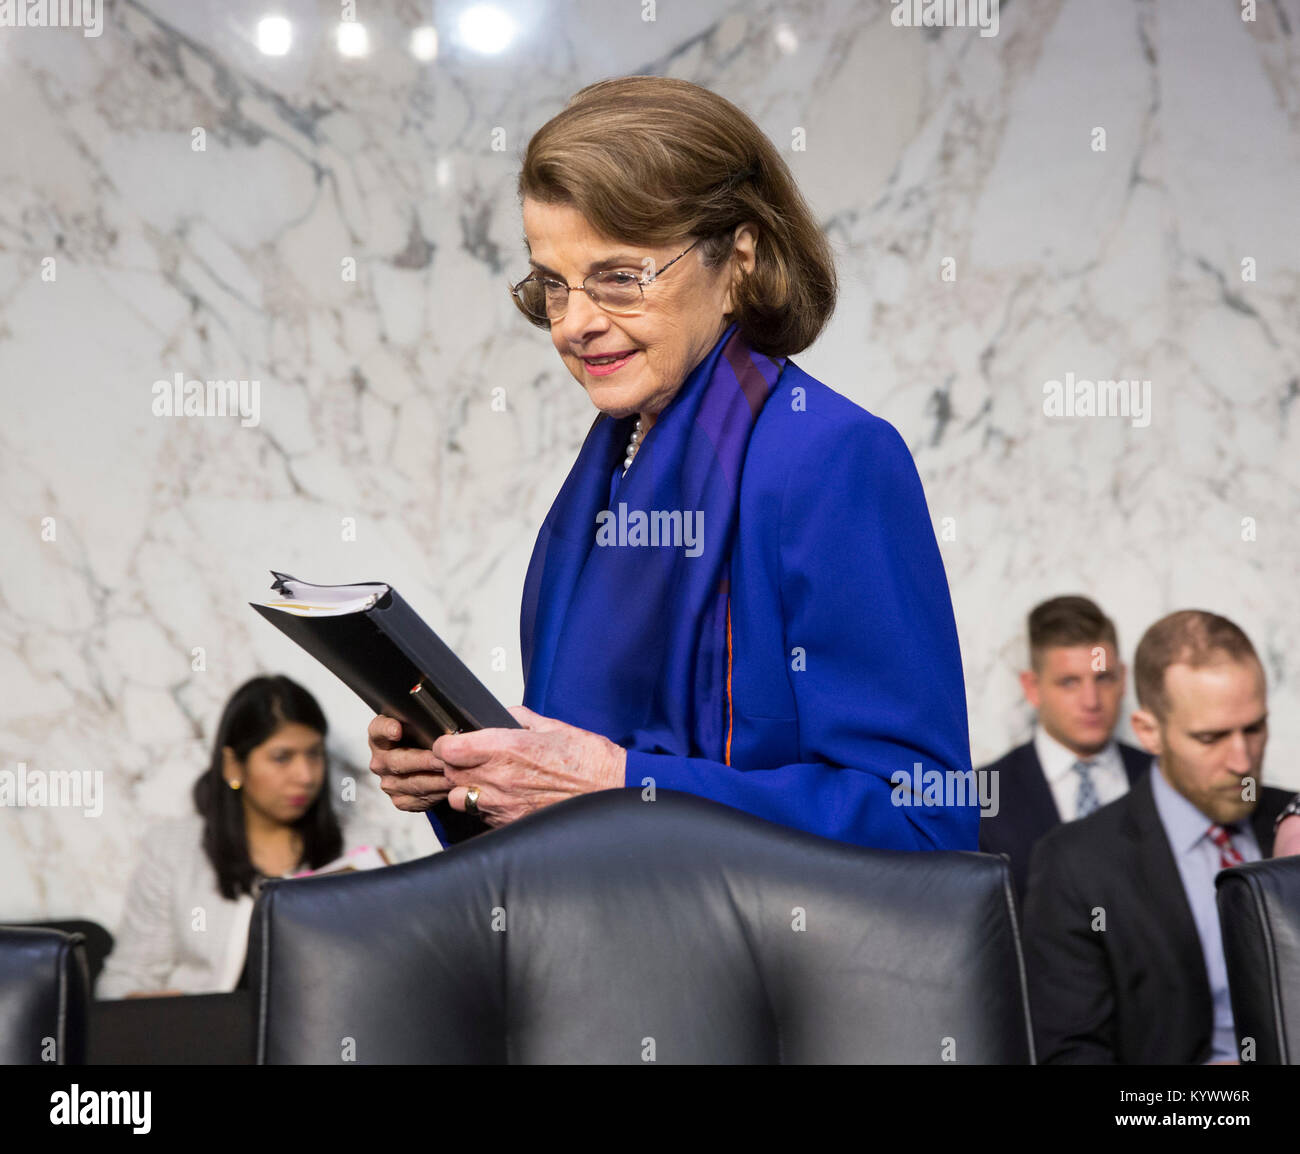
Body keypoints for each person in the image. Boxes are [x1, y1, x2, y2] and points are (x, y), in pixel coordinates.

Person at [367, 76, 976, 852]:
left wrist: (623, 789)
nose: (576, 325)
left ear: (740, 260)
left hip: (751, 971)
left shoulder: (829, 458)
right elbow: (567, 786)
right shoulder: (606, 473)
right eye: (554, 286)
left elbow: (922, 818)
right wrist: (465, 775)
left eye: (620, 278)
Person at [1022, 611, 1293, 1063]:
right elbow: (1070, 1055)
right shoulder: (1075, 865)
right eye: (1211, 737)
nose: (1242, 760)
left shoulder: (1293, 823)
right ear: (1150, 732)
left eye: (1254, 728)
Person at [99, 675, 374, 998]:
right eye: (282, 757)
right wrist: (169, 1012)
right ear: (233, 766)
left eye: (314, 754)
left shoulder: (357, 851)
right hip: (202, 1040)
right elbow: (122, 983)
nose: (305, 776)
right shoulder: (174, 851)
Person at [979, 596, 1150, 904]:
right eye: (1069, 682)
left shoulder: (1164, 778)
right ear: (1032, 687)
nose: (1091, 701)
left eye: (1103, 678)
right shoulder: (982, 796)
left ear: (1123, 679)